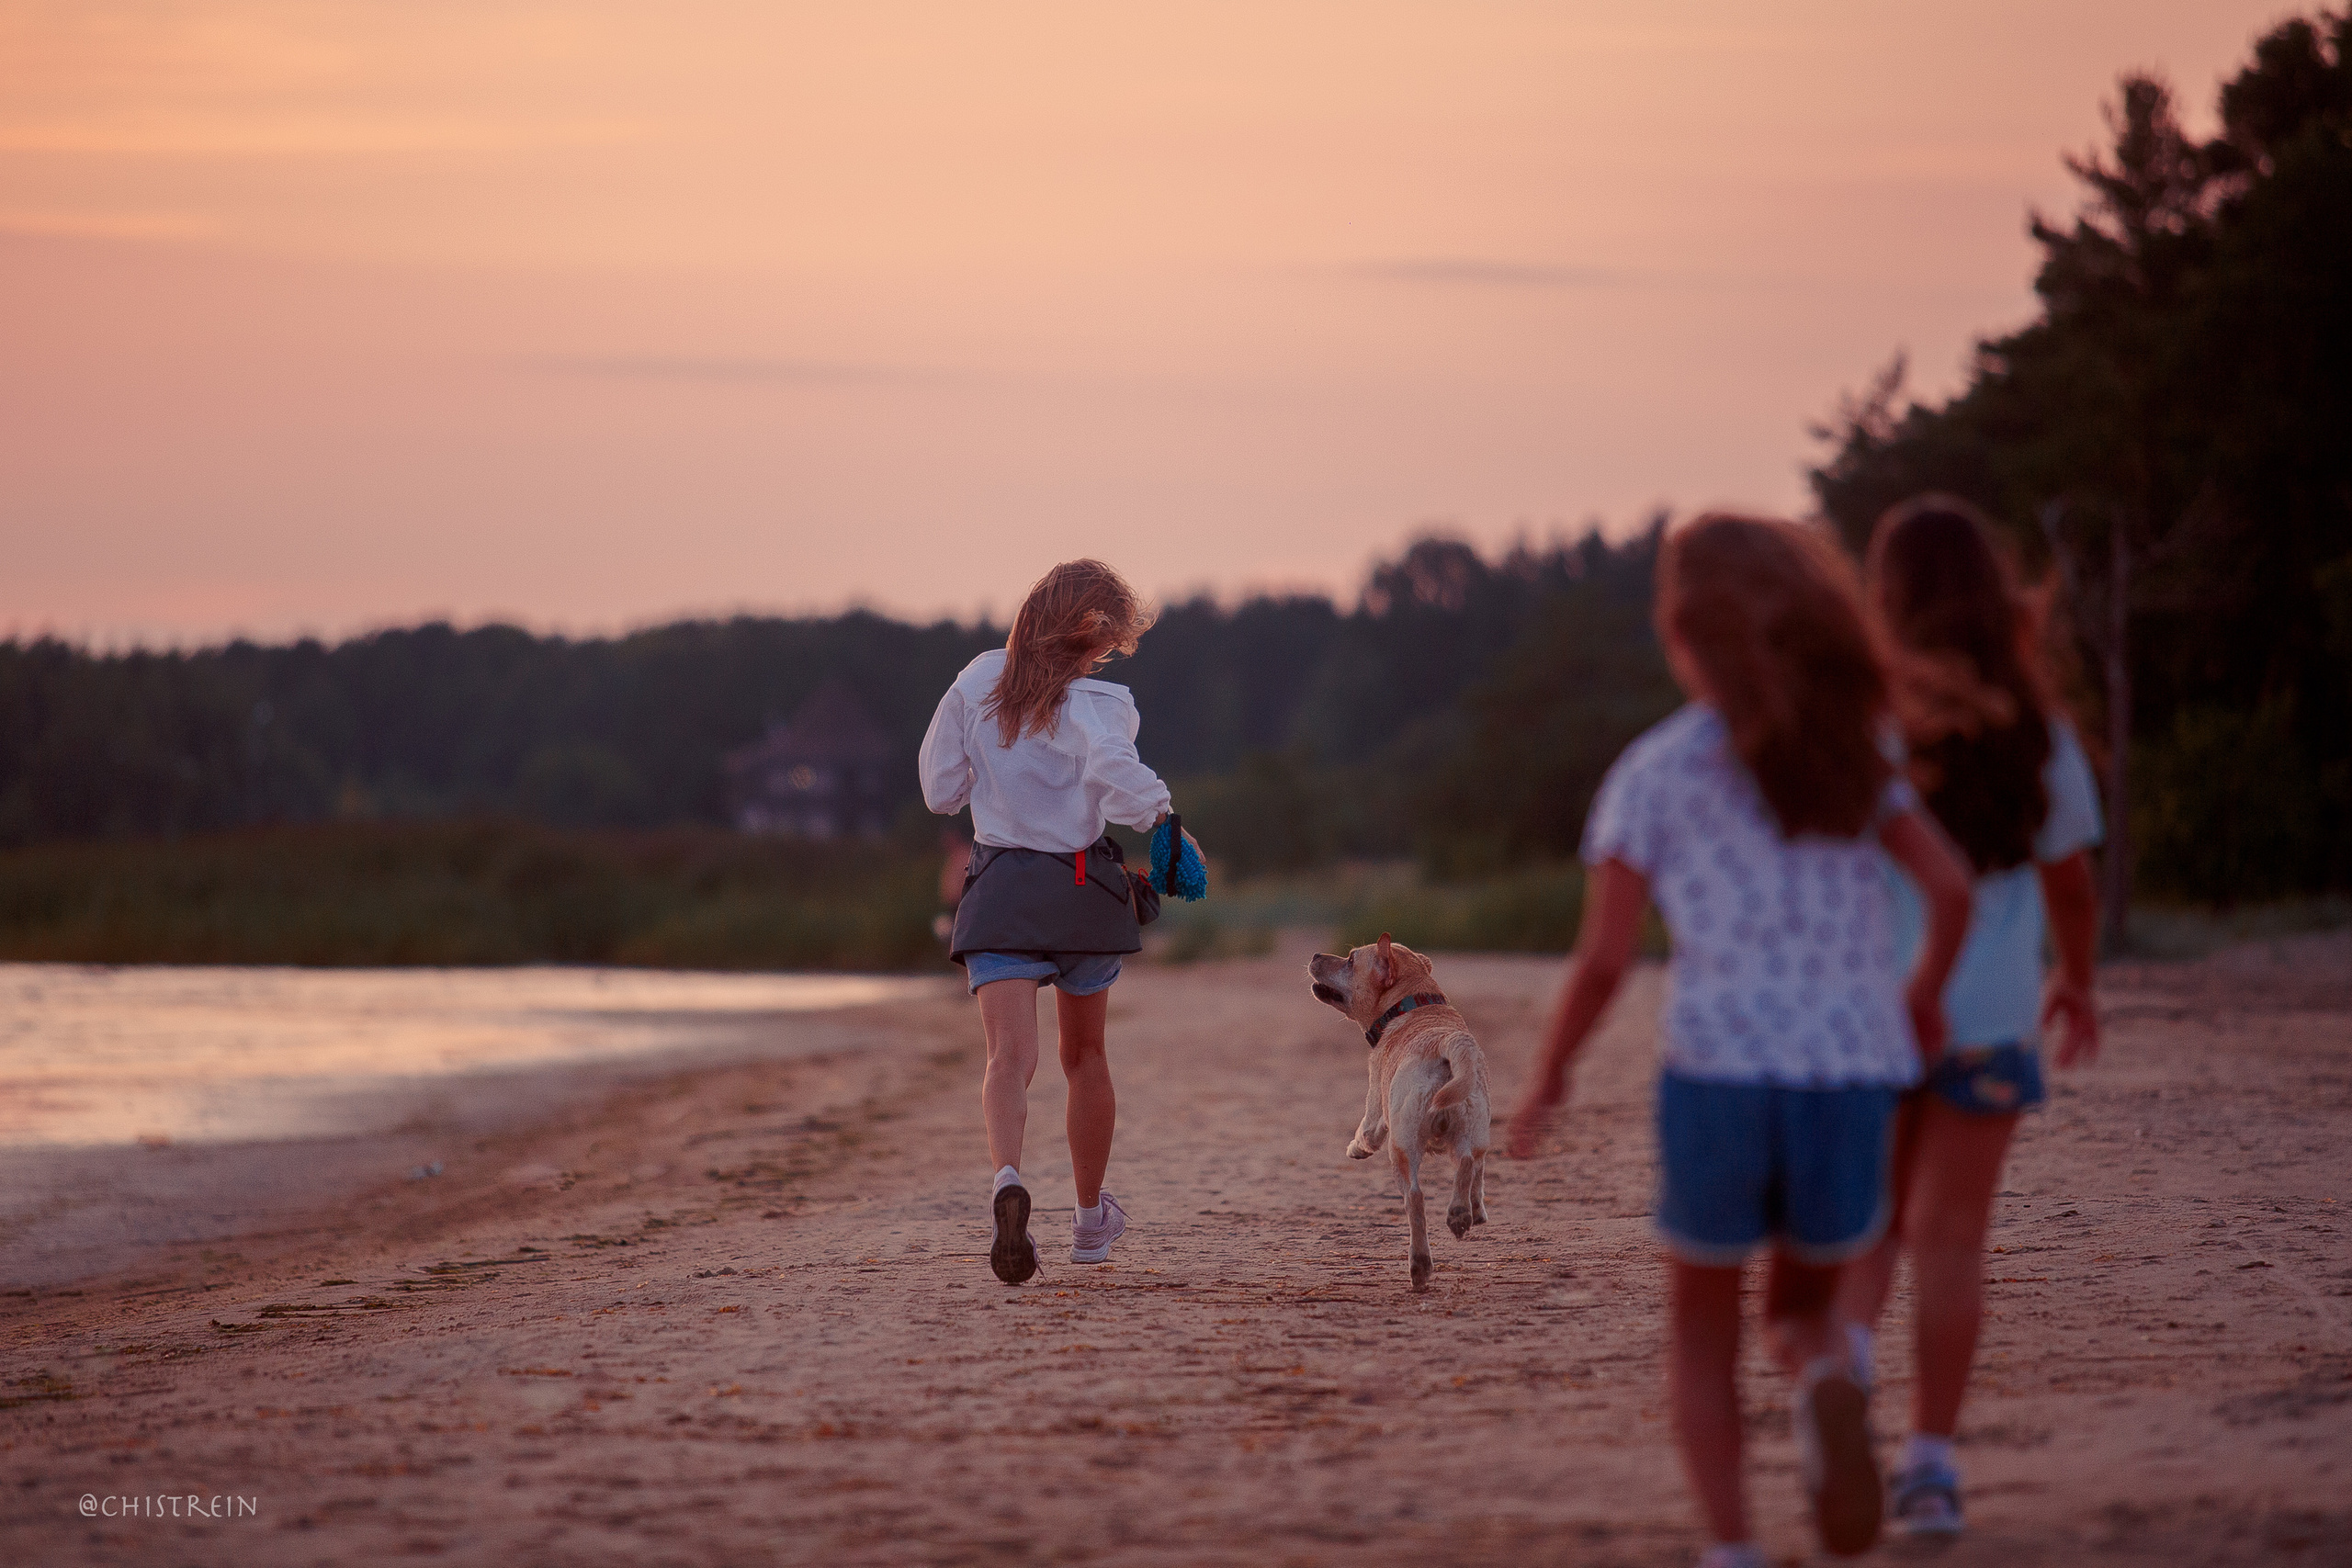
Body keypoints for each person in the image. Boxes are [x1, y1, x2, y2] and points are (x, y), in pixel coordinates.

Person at [1504, 514, 1973, 1568]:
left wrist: (1550, 1075)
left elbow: (1605, 960)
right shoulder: (1853, 757)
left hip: (1718, 1075)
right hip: (1847, 1074)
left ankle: (1732, 1550)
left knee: (1702, 1336)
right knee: (1802, 1312)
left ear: (1680, 635)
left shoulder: (1654, 772)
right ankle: (1828, 1381)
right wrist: (1920, 1000)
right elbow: (1949, 889)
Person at [1832, 495, 2103, 1538]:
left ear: (1885, 600)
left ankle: (1847, 1371)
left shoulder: (1863, 729)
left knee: (1868, 1225)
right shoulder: (2039, 735)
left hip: (1870, 1017)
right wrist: (2075, 979)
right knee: (1951, 1242)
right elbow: (2070, 883)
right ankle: (1931, 1471)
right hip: (1987, 1020)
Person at [919, 558, 1176, 1285]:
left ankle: (1007, 1177)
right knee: (1085, 1059)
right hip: (1080, 889)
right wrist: (1165, 820)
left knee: (1008, 1059)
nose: (1102, 658)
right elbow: (1118, 783)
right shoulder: (1101, 703)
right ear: (1089, 636)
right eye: (1105, 643)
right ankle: (1090, 1223)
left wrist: (989, 777)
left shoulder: (976, 680)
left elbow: (939, 789)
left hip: (1002, 889)